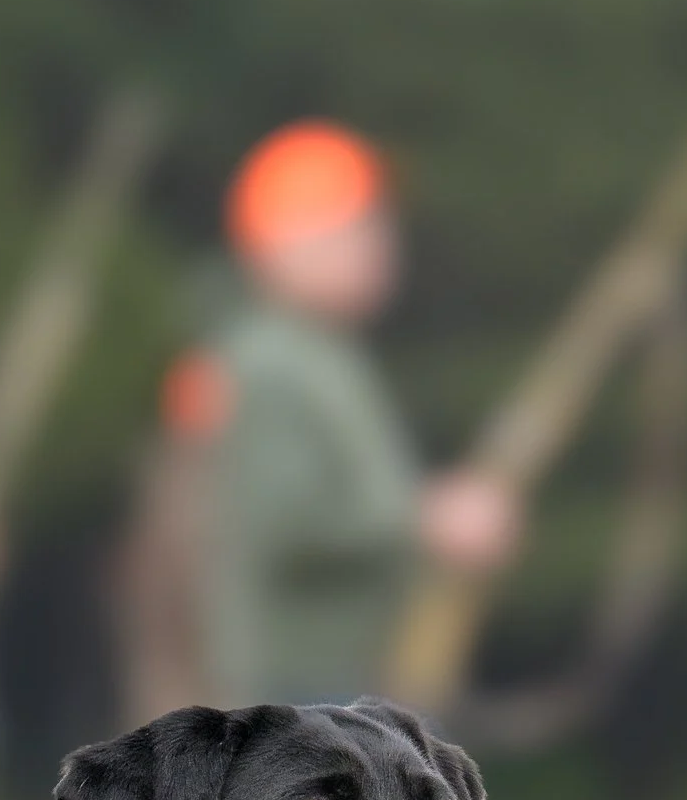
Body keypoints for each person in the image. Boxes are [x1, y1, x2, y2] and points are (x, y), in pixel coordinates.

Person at [119, 121, 523, 715]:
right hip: (300, 686)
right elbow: (289, 523)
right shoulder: (269, 363)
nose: (383, 245)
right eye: (358, 228)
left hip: (331, 679)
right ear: (286, 246)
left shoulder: (317, 355)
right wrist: (428, 520)